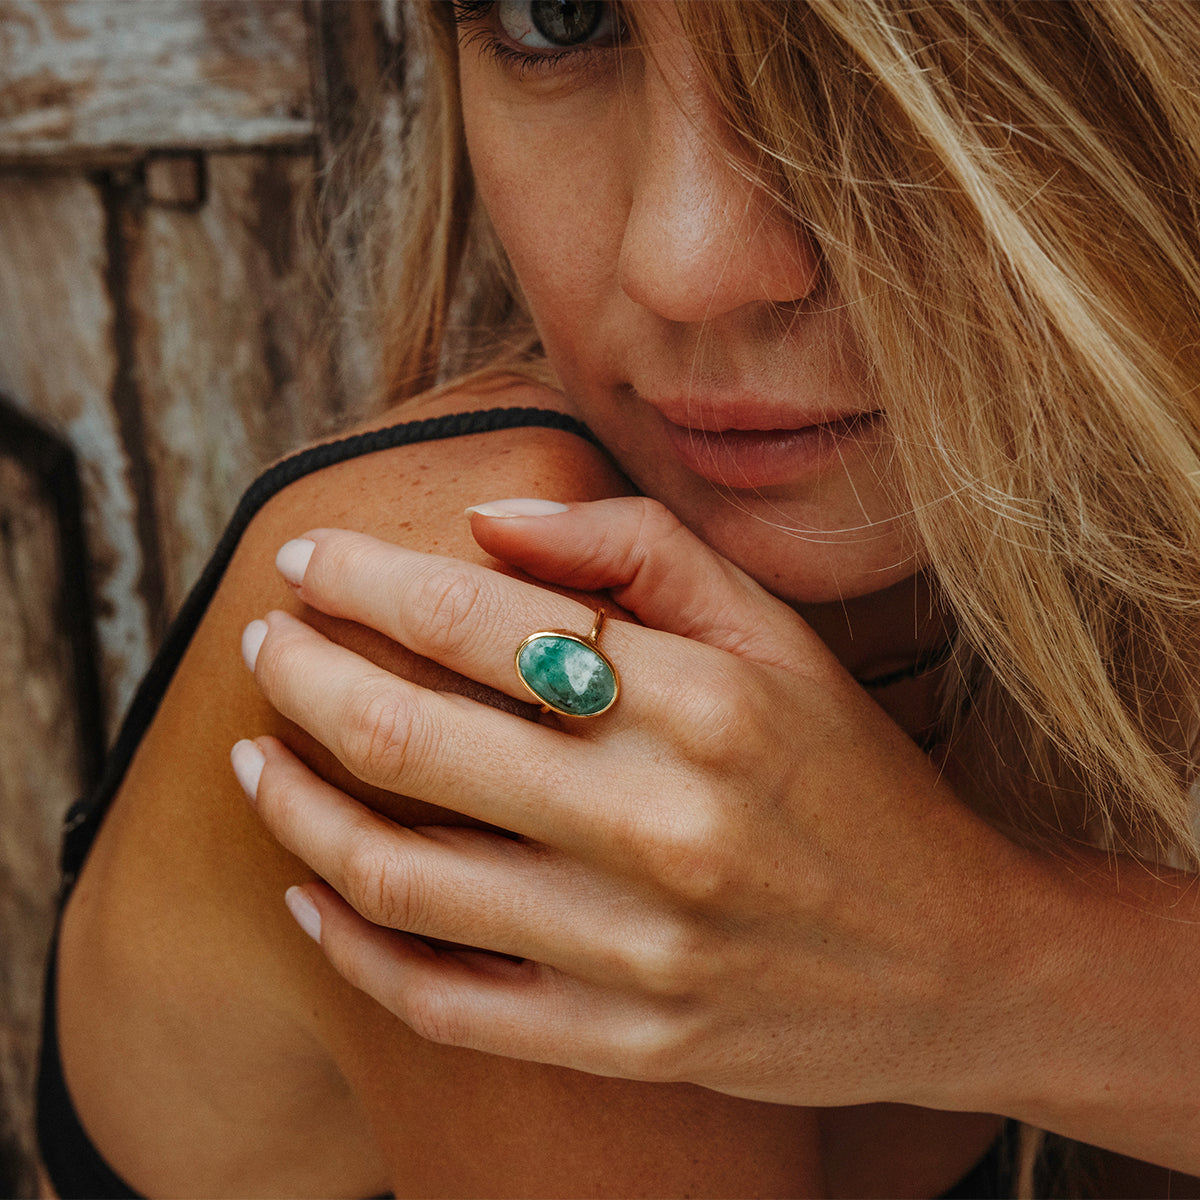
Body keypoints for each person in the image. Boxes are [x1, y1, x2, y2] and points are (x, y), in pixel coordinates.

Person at [38, 1, 1200, 1198]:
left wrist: (1003, 970)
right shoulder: (486, 656)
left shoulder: (1117, 545)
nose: (687, 266)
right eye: (560, 16)